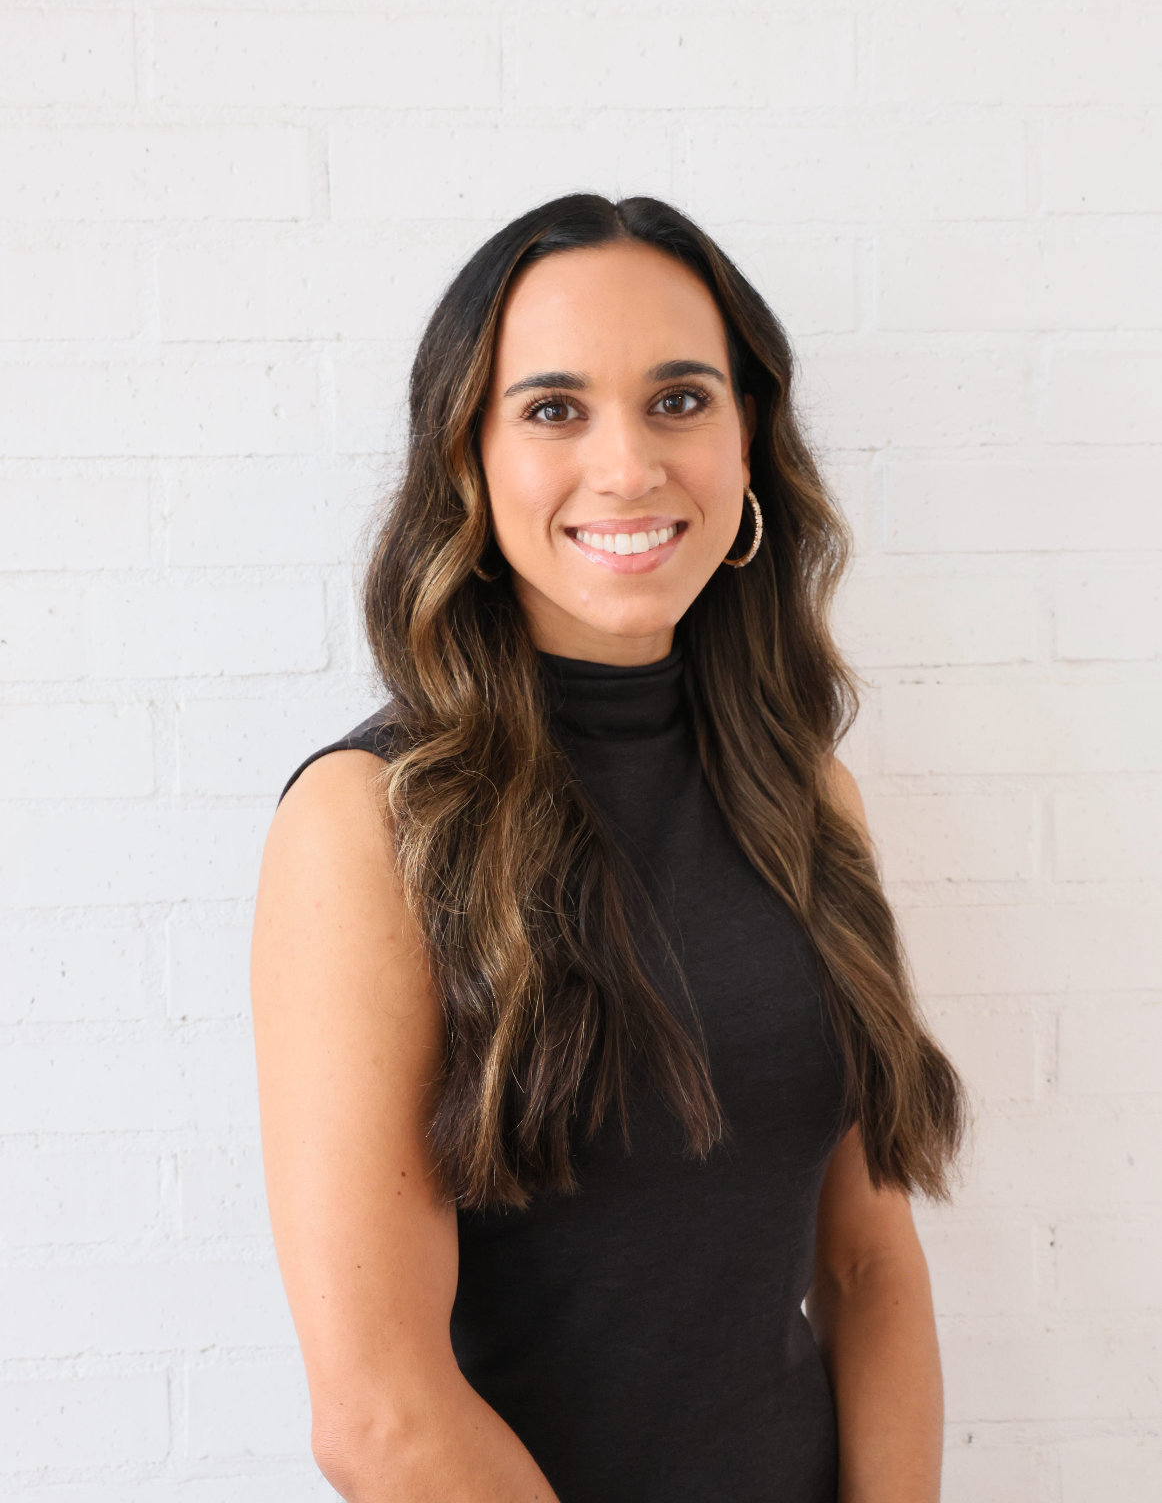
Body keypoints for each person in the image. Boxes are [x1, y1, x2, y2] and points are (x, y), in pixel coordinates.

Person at [251, 194, 965, 1503]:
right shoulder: (365, 826)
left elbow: (866, 1266)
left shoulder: (805, 796)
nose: (628, 465)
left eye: (680, 400)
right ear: (466, 457)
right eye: (553, 408)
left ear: (750, 443)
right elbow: (378, 1415)